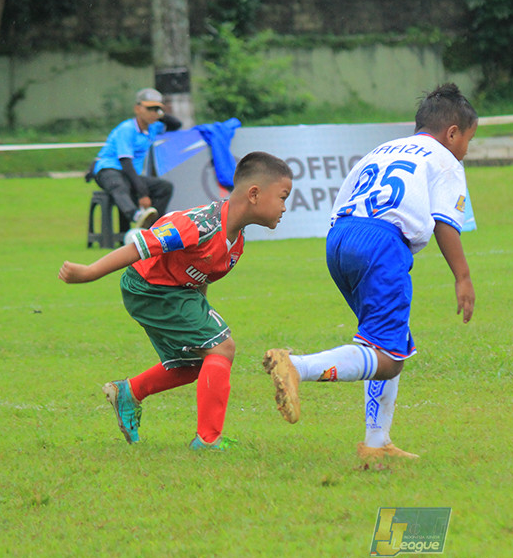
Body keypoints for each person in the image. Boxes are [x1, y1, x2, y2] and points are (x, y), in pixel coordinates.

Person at [263, 83, 478, 461]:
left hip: (340, 239)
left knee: (388, 342)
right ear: (452, 133)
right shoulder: (444, 159)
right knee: (388, 358)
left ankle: (377, 443)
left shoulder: (382, 150)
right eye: (467, 141)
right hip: (381, 244)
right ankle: (296, 366)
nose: (465, 150)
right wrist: (462, 277)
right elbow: (445, 223)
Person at [59, 152, 294, 450]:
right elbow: (140, 247)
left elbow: (201, 278)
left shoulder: (236, 242)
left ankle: (129, 392)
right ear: (255, 194)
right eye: (283, 197)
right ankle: (208, 440)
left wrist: (201, 322)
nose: (285, 207)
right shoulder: (199, 225)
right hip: (149, 288)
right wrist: (89, 272)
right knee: (222, 347)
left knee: (195, 363)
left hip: (176, 292)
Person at [91, 87, 181, 231]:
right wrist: (142, 193)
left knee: (164, 187)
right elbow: (125, 162)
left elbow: (176, 124)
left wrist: (159, 114)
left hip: (128, 174)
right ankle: (136, 216)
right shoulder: (127, 129)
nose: (153, 112)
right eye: (149, 108)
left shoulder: (153, 128)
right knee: (119, 184)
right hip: (108, 170)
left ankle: (152, 229)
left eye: (156, 109)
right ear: (137, 109)